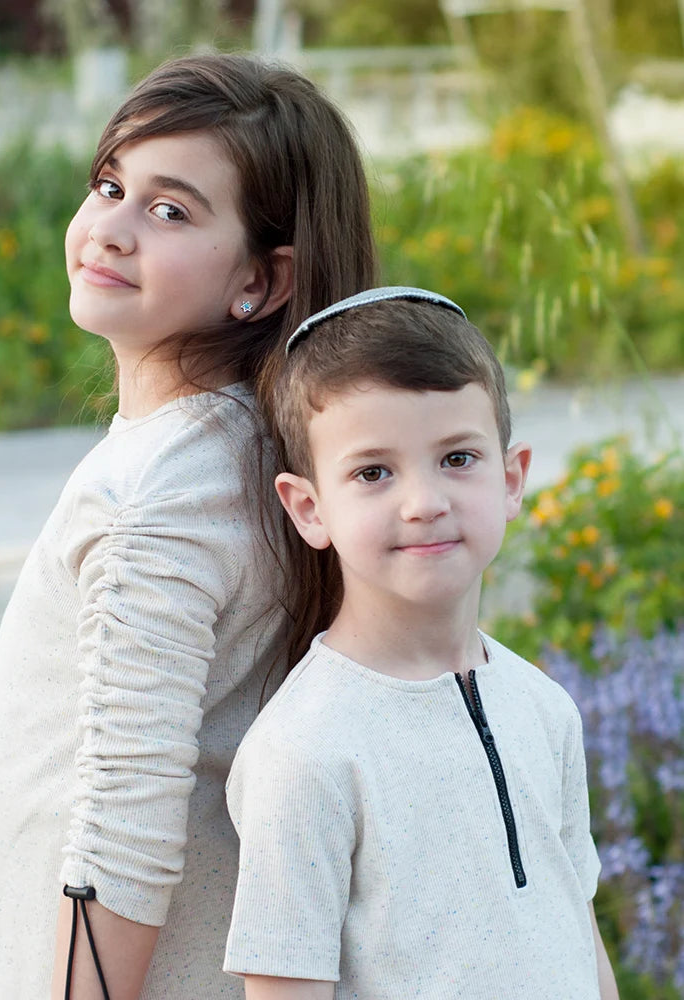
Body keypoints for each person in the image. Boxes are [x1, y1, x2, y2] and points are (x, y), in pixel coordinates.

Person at [0, 54, 376, 998]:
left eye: (170, 210)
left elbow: (122, 832)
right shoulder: (259, 451)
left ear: (262, 280)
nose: (112, 229)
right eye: (110, 185)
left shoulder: (157, 492)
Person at [223, 287, 620, 1000]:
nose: (424, 502)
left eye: (457, 459)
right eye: (373, 472)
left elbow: (575, 934)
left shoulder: (546, 707)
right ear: (310, 509)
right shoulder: (304, 753)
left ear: (510, 480)